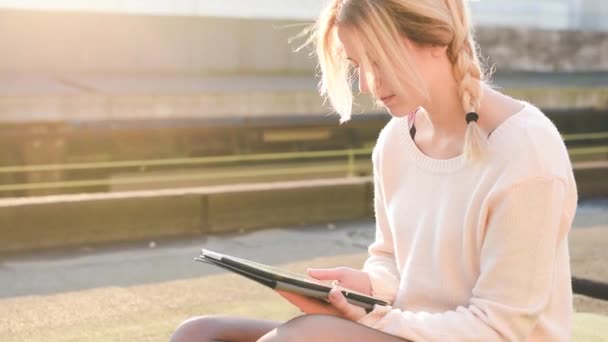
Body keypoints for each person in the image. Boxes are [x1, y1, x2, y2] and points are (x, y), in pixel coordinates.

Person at [171, 0, 577, 341]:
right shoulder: (396, 141)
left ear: (436, 40)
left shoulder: (526, 150)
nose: (366, 84)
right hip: (410, 331)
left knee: (305, 336)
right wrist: (367, 289)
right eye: (356, 63)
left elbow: (499, 329)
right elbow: (389, 258)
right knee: (200, 333)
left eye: (378, 59)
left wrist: (371, 320)